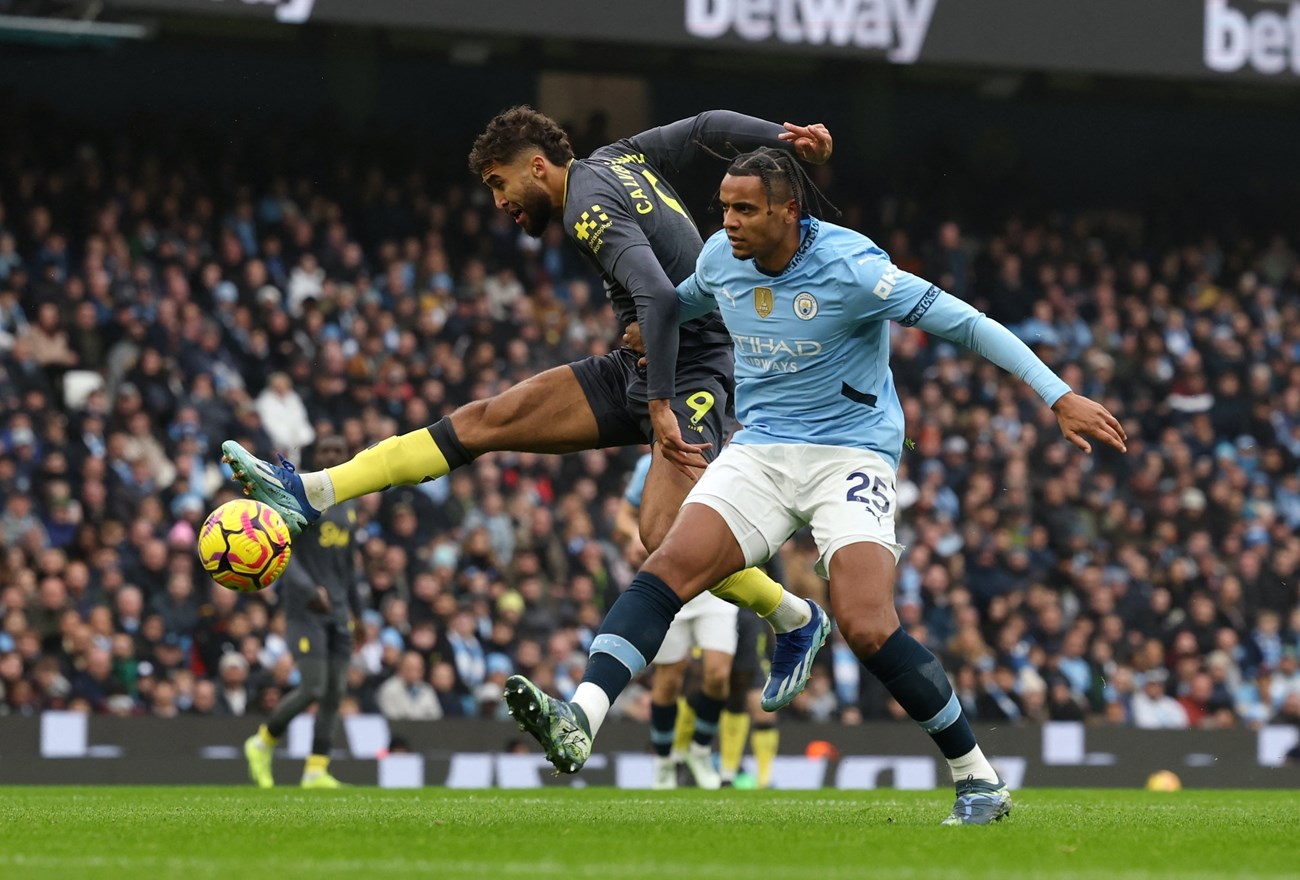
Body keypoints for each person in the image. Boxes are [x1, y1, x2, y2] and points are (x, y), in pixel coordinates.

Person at [503, 146, 1127, 825]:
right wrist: (647, 330)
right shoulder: (720, 258)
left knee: (866, 624)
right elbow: (683, 301)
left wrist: (1058, 394)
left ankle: (976, 778)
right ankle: (581, 717)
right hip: (763, 449)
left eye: (745, 209)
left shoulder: (855, 268)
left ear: (788, 212)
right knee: (666, 568)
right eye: (724, 207)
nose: (729, 222)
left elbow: (967, 323)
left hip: (851, 455)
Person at [222, 107, 836, 708]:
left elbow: (657, 296)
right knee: (481, 421)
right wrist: (783, 137)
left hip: (692, 370)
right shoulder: (620, 158)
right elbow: (703, 128)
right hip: (645, 360)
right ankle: (311, 493)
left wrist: (658, 407)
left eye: (499, 183)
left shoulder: (586, 206)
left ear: (538, 167)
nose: (498, 202)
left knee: (660, 534)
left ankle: (794, 616)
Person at [244, 436, 361, 789]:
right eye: (326, 451)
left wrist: (360, 612)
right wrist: (309, 591)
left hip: (339, 610)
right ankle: (263, 741)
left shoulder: (348, 505)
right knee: (312, 687)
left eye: (338, 452)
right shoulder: (298, 498)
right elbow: (283, 550)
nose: (332, 456)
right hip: (305, 609)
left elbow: (348, 566)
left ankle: (316, 769)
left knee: (335, 692)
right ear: (315, 457)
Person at [613, 452, 733, 790]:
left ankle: (699, 750)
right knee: (668, 679)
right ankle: (665, 761)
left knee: (718, 674)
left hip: (718, 578)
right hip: (671, 577)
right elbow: (624, 515)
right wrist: (634, 535)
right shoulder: (649, 463)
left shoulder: (729, 456)